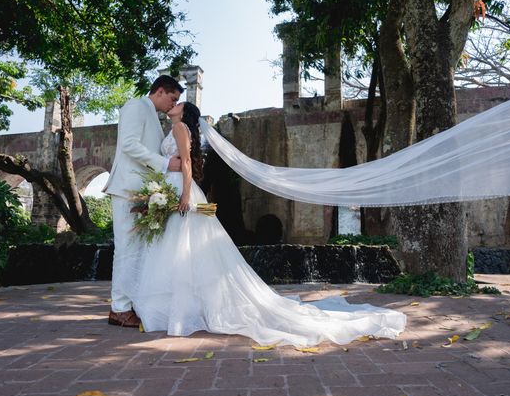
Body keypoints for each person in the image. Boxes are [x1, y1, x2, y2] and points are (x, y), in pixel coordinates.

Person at [130, 101, 406, 346]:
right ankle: (182, 309)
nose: (174, 105)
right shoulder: (178, 129)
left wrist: (186, 196)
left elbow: (187, 162)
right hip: (176, 190)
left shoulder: (180, 129)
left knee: (183, 250)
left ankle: (178, 311)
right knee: (184, 251)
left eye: (179, 104)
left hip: (183, 193)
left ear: (185, 113)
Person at [103, 75, 184, 327]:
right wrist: (165, 163)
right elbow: (128, 145)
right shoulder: (136, 106)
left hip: (144, 192)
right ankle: (119, 308)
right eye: (172, 99)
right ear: (160, 91)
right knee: (127, 249)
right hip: (128, 188)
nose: (173, 105)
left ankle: (131, 304)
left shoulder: (153, 116)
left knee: (139, 250)